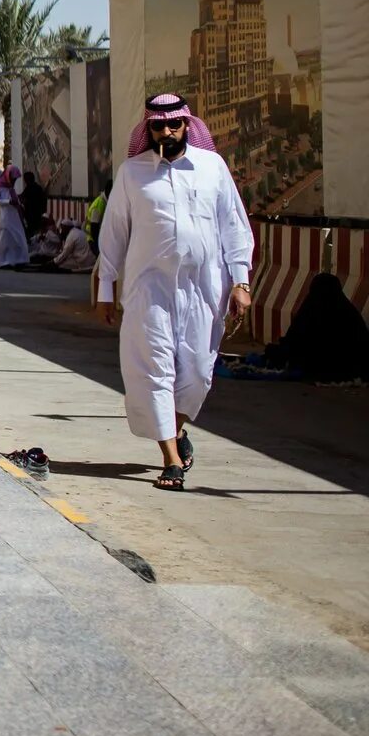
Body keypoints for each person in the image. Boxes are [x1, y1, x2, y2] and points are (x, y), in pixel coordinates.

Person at [98, 94, 253, 494]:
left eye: (174, 125)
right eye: (157, 126)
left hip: (205, 288)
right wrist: (104, 289)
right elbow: (113, 233)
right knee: (153, 372)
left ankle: (175, 430)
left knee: (199, 373)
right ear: (147, 130)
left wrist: (241, 281)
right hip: (149, 288)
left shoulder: (212, 168)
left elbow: (234, 225)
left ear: (187, 126)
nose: (166, 132)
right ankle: (170, 458)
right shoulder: (132, 173)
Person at [0, 166, 31, 269]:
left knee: (18, 237)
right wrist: (8, 202)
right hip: (3, 217)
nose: (14, 181)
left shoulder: (10, 188)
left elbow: (14, 199)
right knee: (4, 240)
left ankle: (19, 259)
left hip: (13, 217)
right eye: (13, 178)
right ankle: (2, 261)